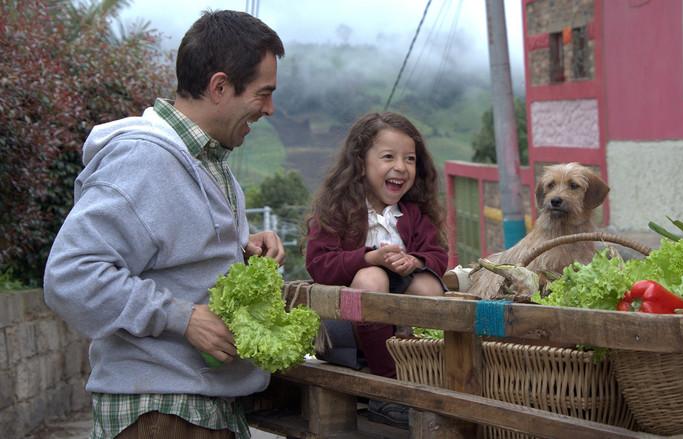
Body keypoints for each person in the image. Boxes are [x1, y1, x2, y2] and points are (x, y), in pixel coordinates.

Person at [44, 10, 285, 439]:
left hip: (198, 409)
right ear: (220, 86)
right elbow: (71, 276)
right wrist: (182, 318)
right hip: (160, 414)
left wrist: (243, 248)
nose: (269, 108)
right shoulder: (144, 160)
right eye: (263, 93)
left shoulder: (212, 167)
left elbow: (178, 258)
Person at [304, 112, 448, 427]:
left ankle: (424, 373)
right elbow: (319, 264)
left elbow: (438, 255)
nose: (401, 167)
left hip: (401, 321)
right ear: (360, 162)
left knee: (429, 286)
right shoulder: (337, 211)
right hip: (347, 327)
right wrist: (369, 258)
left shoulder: (414, 214)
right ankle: (386, 391)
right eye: (388, 157)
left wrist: (416, 261)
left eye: (410, 159)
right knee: (371, 278)